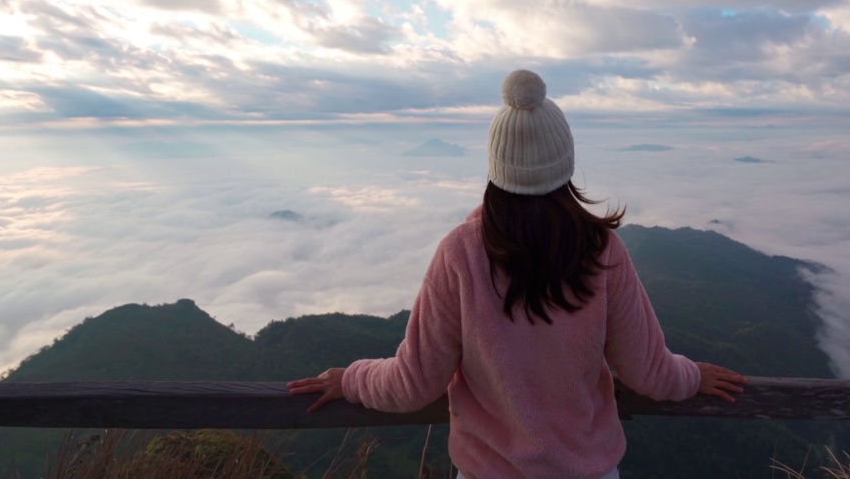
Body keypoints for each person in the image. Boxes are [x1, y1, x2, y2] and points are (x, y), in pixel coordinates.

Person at [287, 69, 746, 479]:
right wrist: (692, 377)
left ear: (495, 168)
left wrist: (349, 379)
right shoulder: (601, 250)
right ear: (565, 163)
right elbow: (648, 373)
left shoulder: (460, 254)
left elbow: (413, 385)